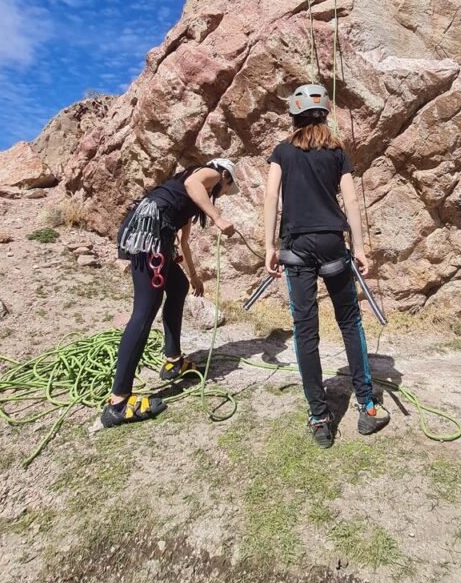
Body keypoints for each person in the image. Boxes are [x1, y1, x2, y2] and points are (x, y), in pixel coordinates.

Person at [263, 84, 389, 448]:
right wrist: (359, 247)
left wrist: (269, 245)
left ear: (294, 115)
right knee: (349, 322)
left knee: (305, 331)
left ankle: (319, 416)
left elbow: (271, 196)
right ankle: (367, 405)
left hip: (297, 246)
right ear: (325, 114)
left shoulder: (282, 151)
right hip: (333, 243)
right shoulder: (337, 152)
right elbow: (350, 201)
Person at [100, 159, 238, 428]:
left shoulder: (188, 201)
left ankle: (173, 361)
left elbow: (183, 241)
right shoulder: (208, 174)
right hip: (150, 233)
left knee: (178, 286)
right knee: (145, 311)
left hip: (155, 234)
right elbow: (194, 182)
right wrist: (218, 217)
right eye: (226, 187)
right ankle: (118, 403)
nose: (222, 193)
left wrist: (194, 275)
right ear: (224, 175)